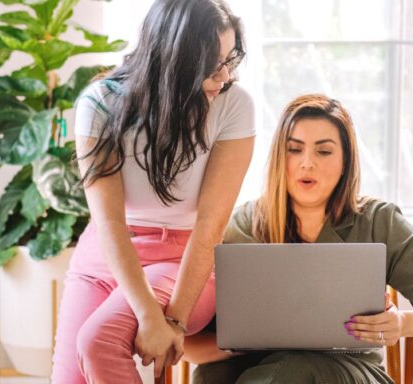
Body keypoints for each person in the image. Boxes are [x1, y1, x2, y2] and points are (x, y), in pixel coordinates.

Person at [184, 94, 413, 384]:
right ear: (278, 158)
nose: (306, 163)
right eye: (294, 150)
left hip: (348, 371)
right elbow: (191, 344)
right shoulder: (242, 224)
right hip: (252, 367)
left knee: (296, 370)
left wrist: (402, 323)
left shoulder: (378, 220)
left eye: (323, 152)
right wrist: (242, 342)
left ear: (345, 161)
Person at [50, 0, 255, 382]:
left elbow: (211, 223)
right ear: (174, 59)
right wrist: (148, 316)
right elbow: (108, 223)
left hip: (184, 258)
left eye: (231, 59)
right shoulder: (100, 103)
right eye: (213, 65)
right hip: (106, 255)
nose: (225, 76)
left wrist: (173, 320)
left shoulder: (234, 106)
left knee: (98, 342)